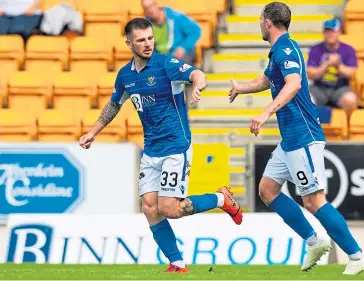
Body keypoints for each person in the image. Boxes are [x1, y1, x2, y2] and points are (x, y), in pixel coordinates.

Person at [79, 18, 242, 273]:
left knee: (170, 209)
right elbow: (114, 104)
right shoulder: (125, 76)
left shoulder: (166, 64)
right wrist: (93, 132)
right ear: (129, 43)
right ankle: (177, 262)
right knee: (149, 206)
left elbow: (197, 73)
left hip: (176, 146)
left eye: (150, 38)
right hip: (151, 149)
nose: (147, 44)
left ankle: (221, 199)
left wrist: (198, 84)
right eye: (141, 40)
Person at [228, 2, 364, 275]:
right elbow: (266, 81)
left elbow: (293, 84)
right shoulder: (278, 52)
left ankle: (357, 255)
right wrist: (240, 87)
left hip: (303, 136)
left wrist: (266, 112)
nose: (259, 24)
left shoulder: (285, 49)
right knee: (267, 190)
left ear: (267, 22)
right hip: (290, 139)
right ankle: (314, 241)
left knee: (314, 201)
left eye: (260, 20)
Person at [307, 18, 358, 116]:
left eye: (333, 31)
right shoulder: (315, 49)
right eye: (327, 31)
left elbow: (351, 74)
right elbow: (310, 74)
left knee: (351, 100)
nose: (330, 34)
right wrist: (325, 65)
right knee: (302, 98)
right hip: (319, 88)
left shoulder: (348, 49)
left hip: (340, 88)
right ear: (323, 33)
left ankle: (346, 127)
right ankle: (311, 129)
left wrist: (338, 65)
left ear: (339, 32)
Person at [141, 0, 201, 65]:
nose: (150, 10)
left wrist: (183, 48)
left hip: (179, 55)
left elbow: (196, 31)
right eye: (146, 8)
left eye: (151, 6)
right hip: (162, 58)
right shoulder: (145, 25)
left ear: (157, 4)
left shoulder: (175, 17)